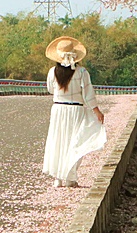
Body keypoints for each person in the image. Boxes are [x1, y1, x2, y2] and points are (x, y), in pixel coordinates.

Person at [42, 36, 107, 188]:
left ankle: (57, 178)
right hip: (76, 109)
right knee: (75, 142)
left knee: (58, 141)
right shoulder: (82, 72)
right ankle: (70, 178)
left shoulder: (52, 72)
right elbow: (88, 94)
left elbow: (50, 90)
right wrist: (96, 111)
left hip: (58, 109)